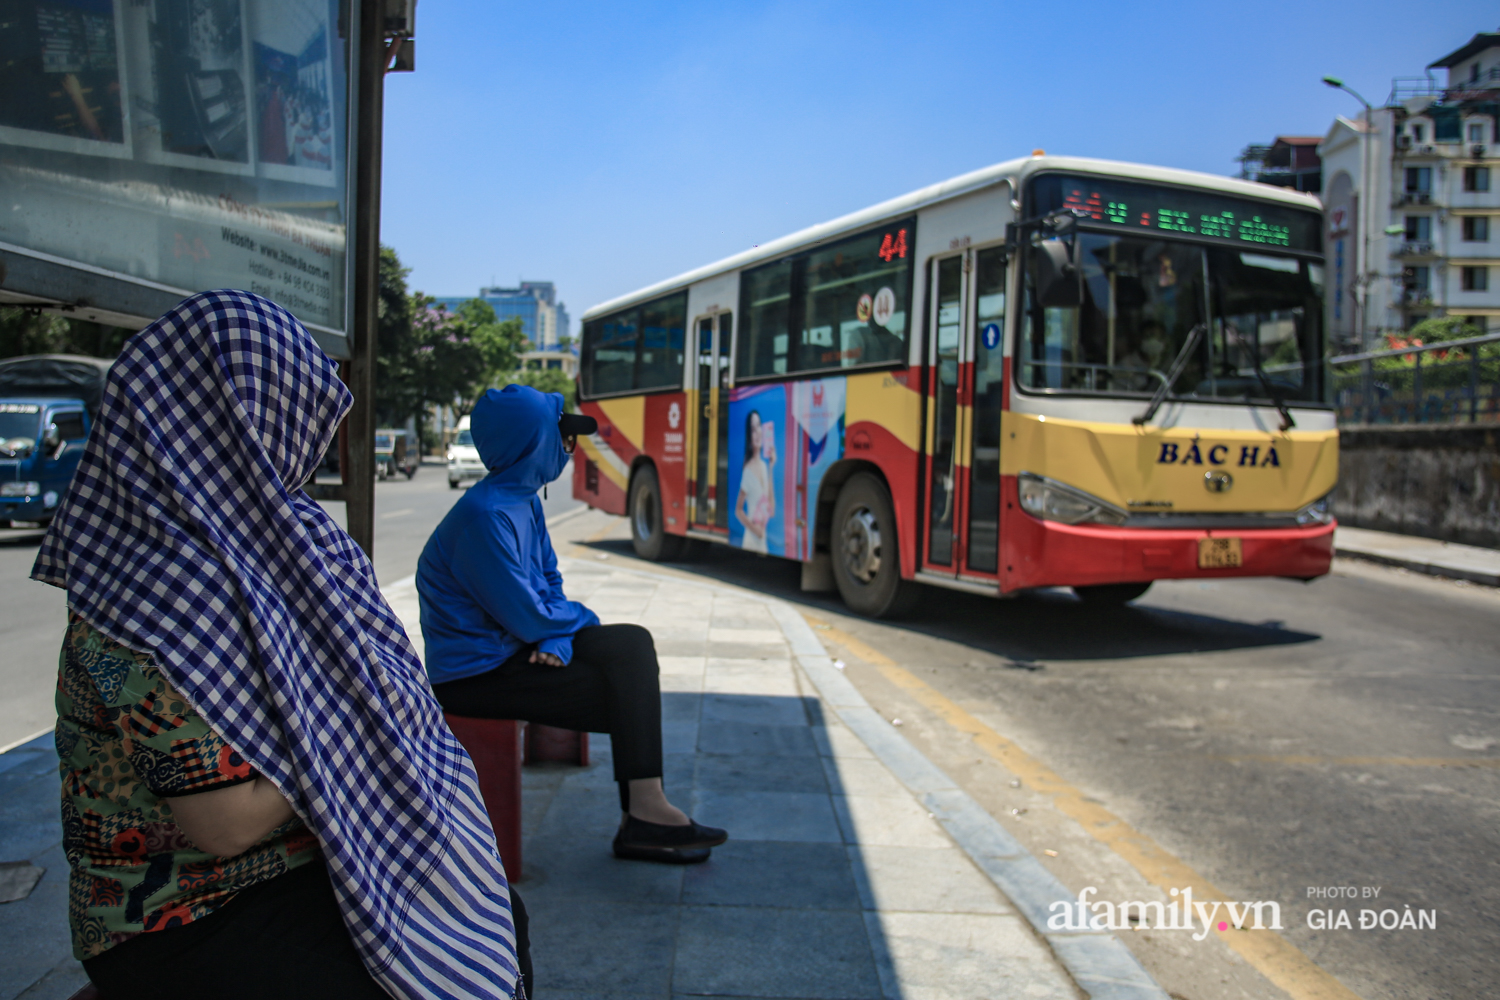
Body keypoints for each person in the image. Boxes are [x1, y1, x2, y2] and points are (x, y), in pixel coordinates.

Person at [35, 291, 529, 1000]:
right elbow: (226, 823)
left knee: (496, 918)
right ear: (234, 418)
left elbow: (376, 681)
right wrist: (364, 720)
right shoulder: (150, 585)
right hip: (185, 914)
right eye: (293, 411)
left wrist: (366, 710)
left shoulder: (288, 535)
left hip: (316, 852)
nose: (311, 438)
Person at [417, 384, 728, 864]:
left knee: (631, 646)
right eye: (561, 437)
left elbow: (548, 584)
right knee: (625, 693)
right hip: (475, 675)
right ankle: (643, 817)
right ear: (530, 441)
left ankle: (644, 813)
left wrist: (559, 637)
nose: (570, 447)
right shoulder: (485, 518)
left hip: (514, 650)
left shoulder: (523, 500)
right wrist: (563, 629)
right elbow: (529, 614)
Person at [733, 409, 775, 553]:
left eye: (758, 426)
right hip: (751, 538)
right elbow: (738, 510)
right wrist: (754, 528)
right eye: (752, 429)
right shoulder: (748, 471)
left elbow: (772, 509)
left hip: (762, 539)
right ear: (749, 436)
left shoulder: (764, 466)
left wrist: (771, 467)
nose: (757, 432)